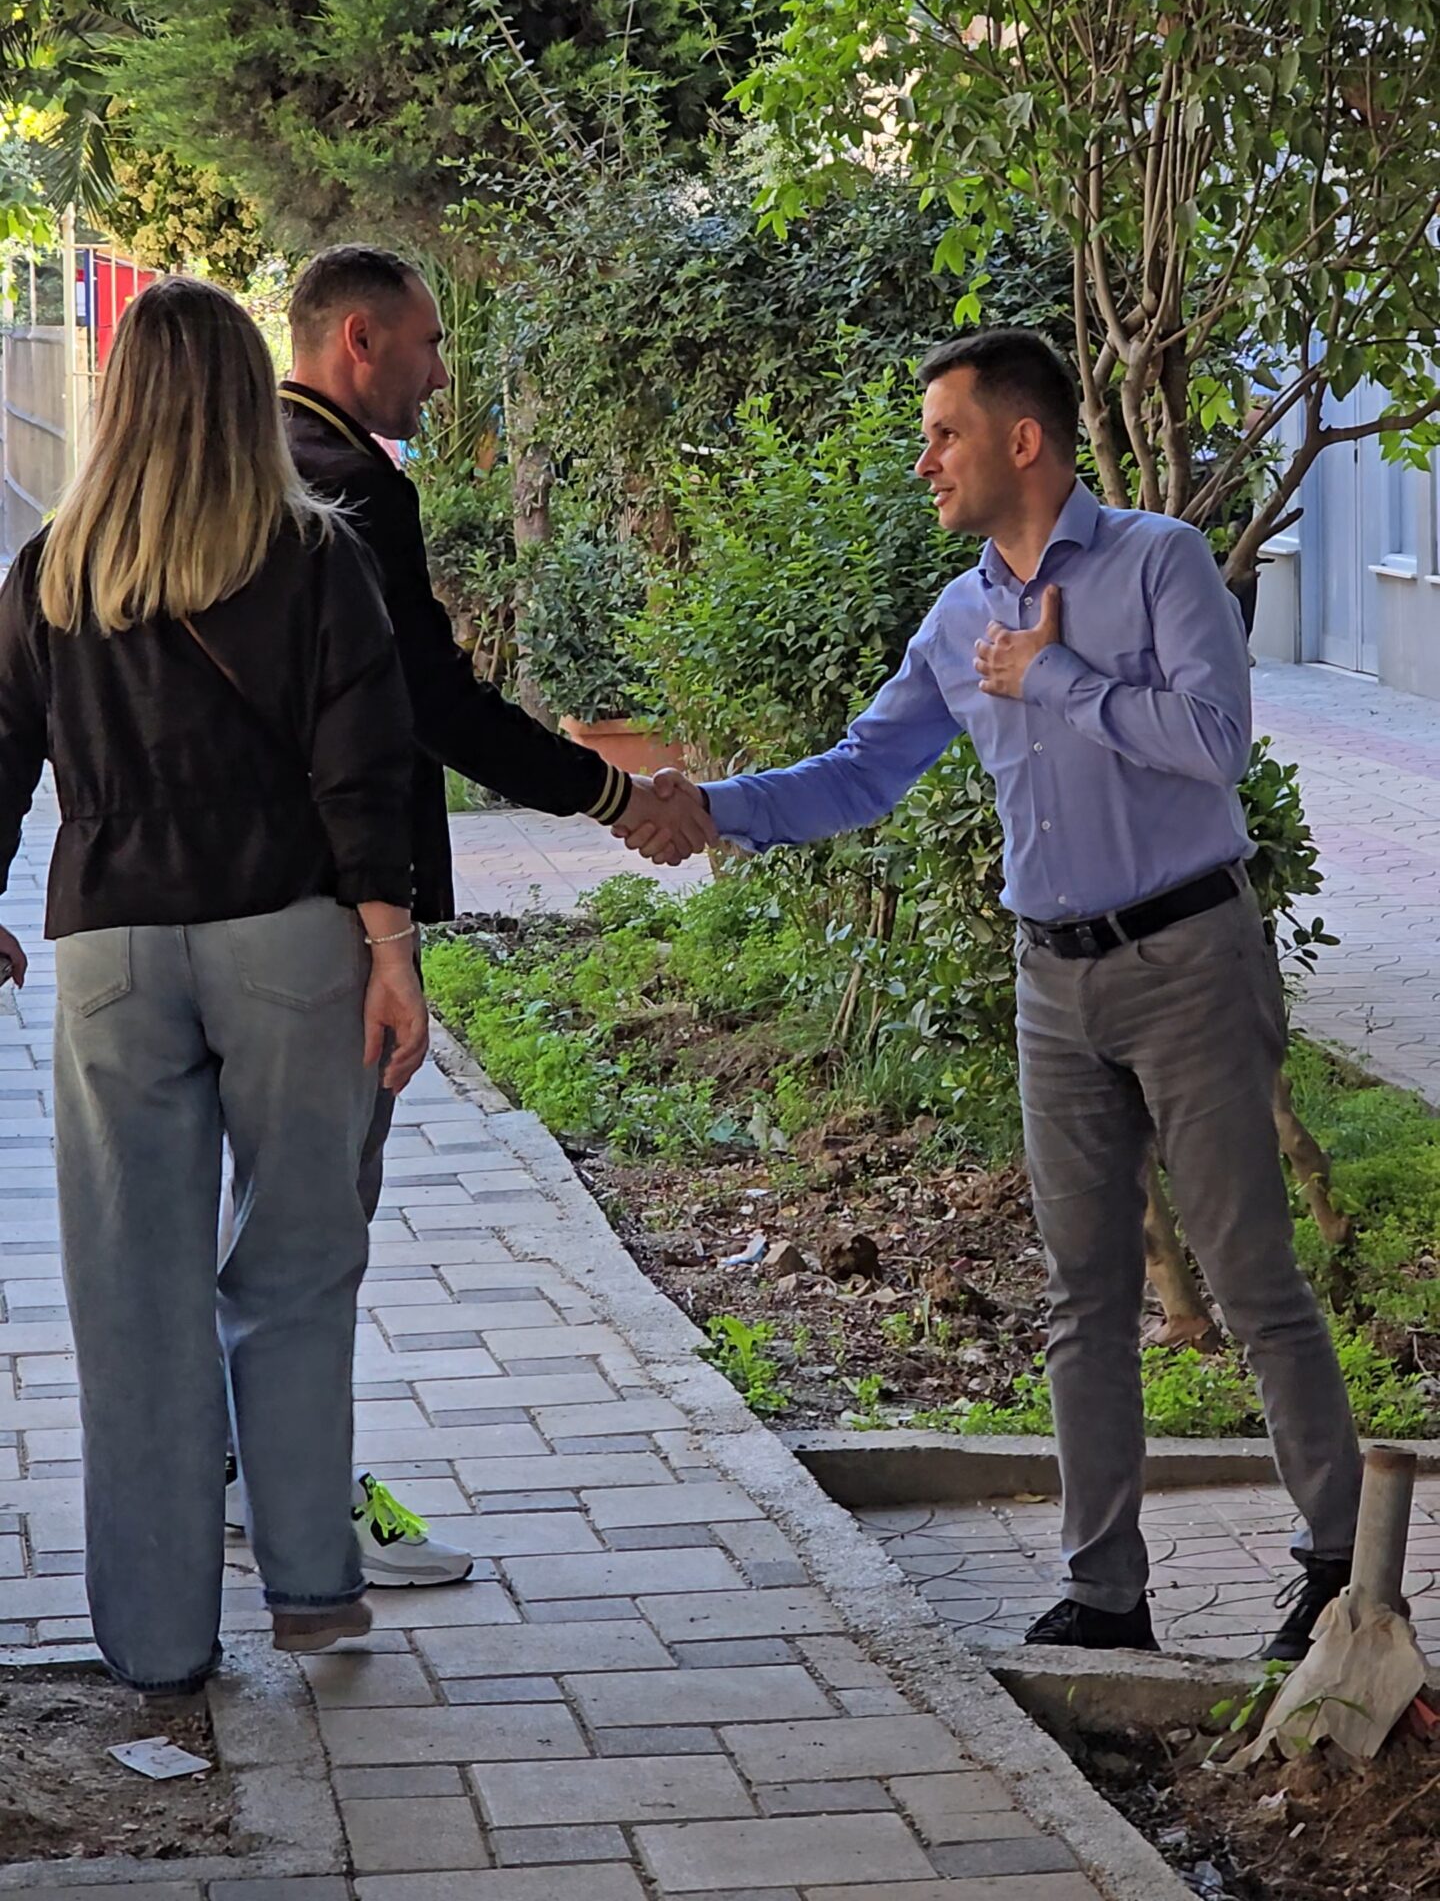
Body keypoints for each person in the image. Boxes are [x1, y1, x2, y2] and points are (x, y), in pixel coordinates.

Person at [628, 330, 1362, 1663]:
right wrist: (708, 809)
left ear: (1023, 441)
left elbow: (1216, 745)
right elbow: (862, 771)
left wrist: (1058, 679)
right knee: (1084, 1294)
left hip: (1189, 961)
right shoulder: (958, 619)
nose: (926, 463)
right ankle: (1106, 1595)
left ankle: (1339, 1576)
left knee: (1251, 1277)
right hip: (1052, 982)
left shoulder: (1160, 562)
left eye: (943, 435)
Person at [0, 278, 426, 1696]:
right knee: (297, 1266)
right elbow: (365, 768)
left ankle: (159, 1641)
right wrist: (391, 953)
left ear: (119, 402)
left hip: (107, 949)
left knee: (131, 1297)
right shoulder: (315, 557)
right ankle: (307, 1584)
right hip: (287, 939)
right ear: (248, 396)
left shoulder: (55, 570)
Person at [266, 244, 705, 1587]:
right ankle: (300, 1505)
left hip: (222, 905)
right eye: (428, 343)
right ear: (358, 339)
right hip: (335, 907)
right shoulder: (350, 487)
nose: (443, 373)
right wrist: (612, 794)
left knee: (262, 1218)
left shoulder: (239, 461)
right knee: (315, 1225)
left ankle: (249, 1479)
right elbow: (432, 706)